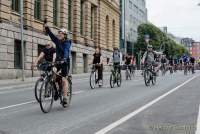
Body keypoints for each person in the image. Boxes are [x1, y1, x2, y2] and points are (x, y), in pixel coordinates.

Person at [44, 20, 71, 107]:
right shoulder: (57, 41)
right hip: (58, 61)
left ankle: (65, 97)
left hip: (65, 62)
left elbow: (66, 51)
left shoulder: (67, 42)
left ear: (65, 35)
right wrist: (46, 27)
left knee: (64, 80)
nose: (59, 34)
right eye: (59, 33)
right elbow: (51, 35)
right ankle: (55, 91)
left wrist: (65, 58)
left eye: (61, 33)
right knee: (53, 72)